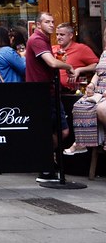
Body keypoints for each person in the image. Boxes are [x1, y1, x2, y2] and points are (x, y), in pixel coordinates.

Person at [26, 12, 75, 182]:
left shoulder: (43, 40)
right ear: (38, 24)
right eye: (47, 22)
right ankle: (45, 166)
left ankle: (45, 161)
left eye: (53, 22)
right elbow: (52, 63)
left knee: (61, 131)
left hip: (50, 90)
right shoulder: (37, 39)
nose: (52, 25)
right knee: (52, 130)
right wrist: (68, 66)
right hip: (42, 92)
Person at [63, 48, 106, 155]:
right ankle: (80, 143)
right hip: (99, 91)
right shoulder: (104, 53)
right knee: (79, 106)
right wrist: (91, 84)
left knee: (101, 108)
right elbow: (97, 74)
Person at [54, 23, 98, 93]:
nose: (58, 37)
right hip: (53, 90)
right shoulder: (52, 49)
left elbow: (96, 66)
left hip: (72, 92)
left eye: (62, 35)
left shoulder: (81, 48)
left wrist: (79, 70)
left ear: (71, 35)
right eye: (57, 34)